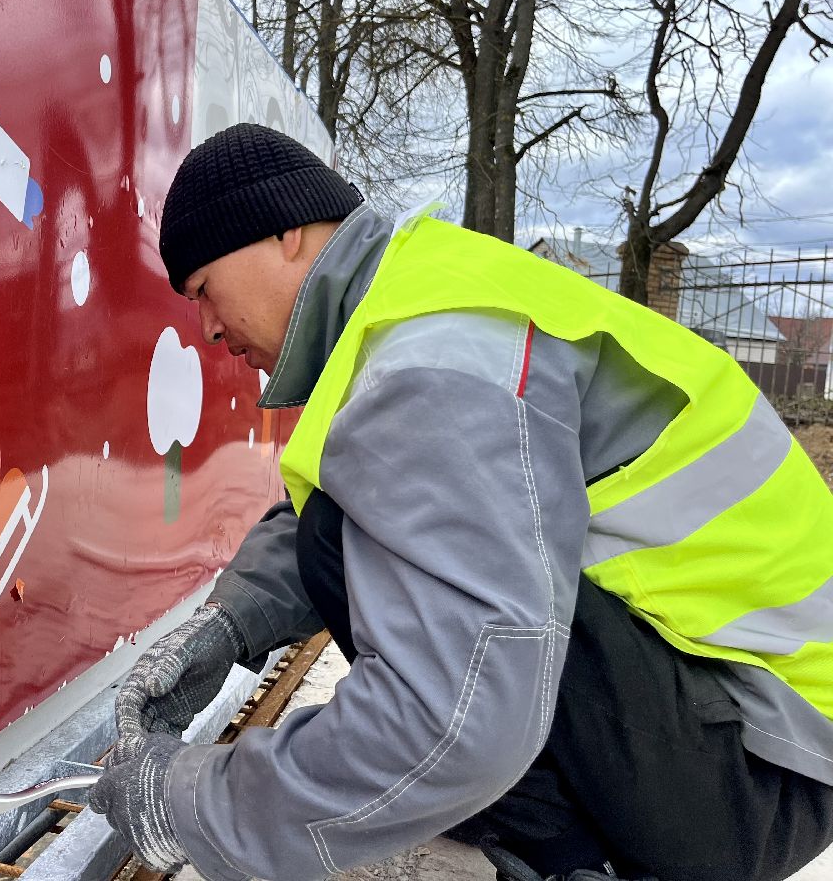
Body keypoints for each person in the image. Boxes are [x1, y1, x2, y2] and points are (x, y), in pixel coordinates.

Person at [87, 123, 833, 881]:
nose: (206, 328)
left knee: (423, 640)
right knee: (346, 541)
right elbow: (359, 510)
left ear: (284, 233)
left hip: (757, 771)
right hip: (742, 723)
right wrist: (231, 625)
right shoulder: (421, 302)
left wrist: (189, 802)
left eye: (204, 288)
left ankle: (585, 859)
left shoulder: (434, 357)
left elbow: (461, 714)